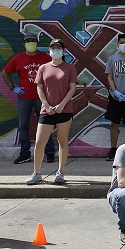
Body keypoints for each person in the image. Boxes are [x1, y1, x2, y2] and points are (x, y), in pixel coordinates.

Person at [26, 39, 77, 185]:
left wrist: (62, 104)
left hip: (64, 110)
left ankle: (60, 172)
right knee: (39, 142)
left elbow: (72, 88)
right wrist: (46, 105)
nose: (55, 51)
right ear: (49, 50)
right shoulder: (43, 68)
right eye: (53, 48)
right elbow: (39, 88)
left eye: (58, 48)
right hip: (46, 111)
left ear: (63, 51)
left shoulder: (69, 68)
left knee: (62, 141)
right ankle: (37, 173)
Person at [2, 33, 55, 165]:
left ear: (37, 43)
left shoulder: (45, 57)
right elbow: (5, 72)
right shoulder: (18, 58)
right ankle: (25, 153)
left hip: (41, 97)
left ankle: (49, 152)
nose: (30, 43)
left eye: (33, 41)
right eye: (28, 41)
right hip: (24, 97)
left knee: (45, 125)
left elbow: (55, 70)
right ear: (24, 43)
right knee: (23, 126)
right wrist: (12, 87)